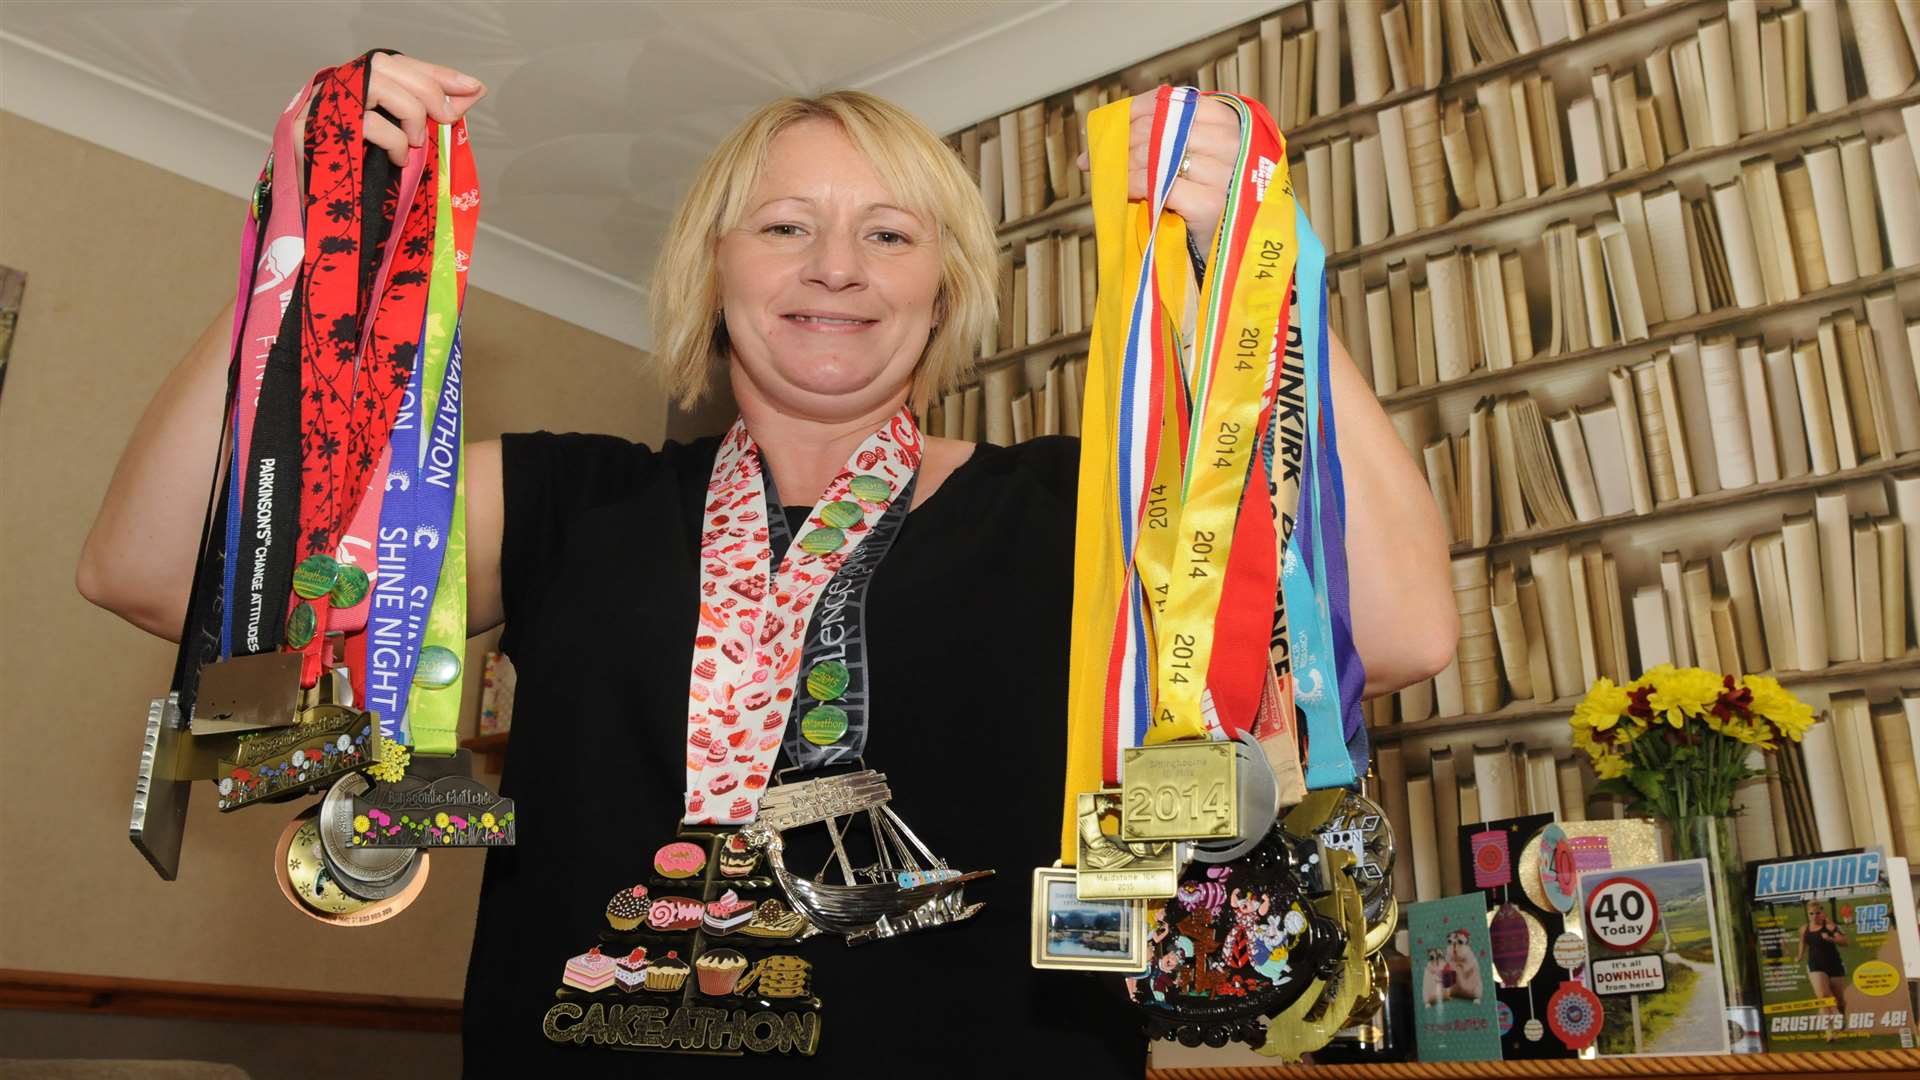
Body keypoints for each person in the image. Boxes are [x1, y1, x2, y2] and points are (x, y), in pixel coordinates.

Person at [77, 53, 1455, 1075]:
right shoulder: (568, 501)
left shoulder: (1072, 506)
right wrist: (301, 247)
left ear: (945, 286)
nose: (837, 266)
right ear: (712, 265)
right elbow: (163, 576)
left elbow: (1398, 628)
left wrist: (1264, 275)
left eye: (890, 232)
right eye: (786, 224)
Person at [1797, 899, 1850, 1041]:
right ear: (1808, 914)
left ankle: (1842, 1015)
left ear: (1822, 913)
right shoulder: (1804, 929)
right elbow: (1802, 942)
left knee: (1839, 1000)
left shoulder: (1830, 926)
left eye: (1817, 913)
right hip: (1815, 965)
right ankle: (1829, 1031)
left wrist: (1831, 939)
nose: (1814, 916)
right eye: (1811, 913)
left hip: (1834, 965)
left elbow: (1845, 942)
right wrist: (1800, 955)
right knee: (1823, 997)